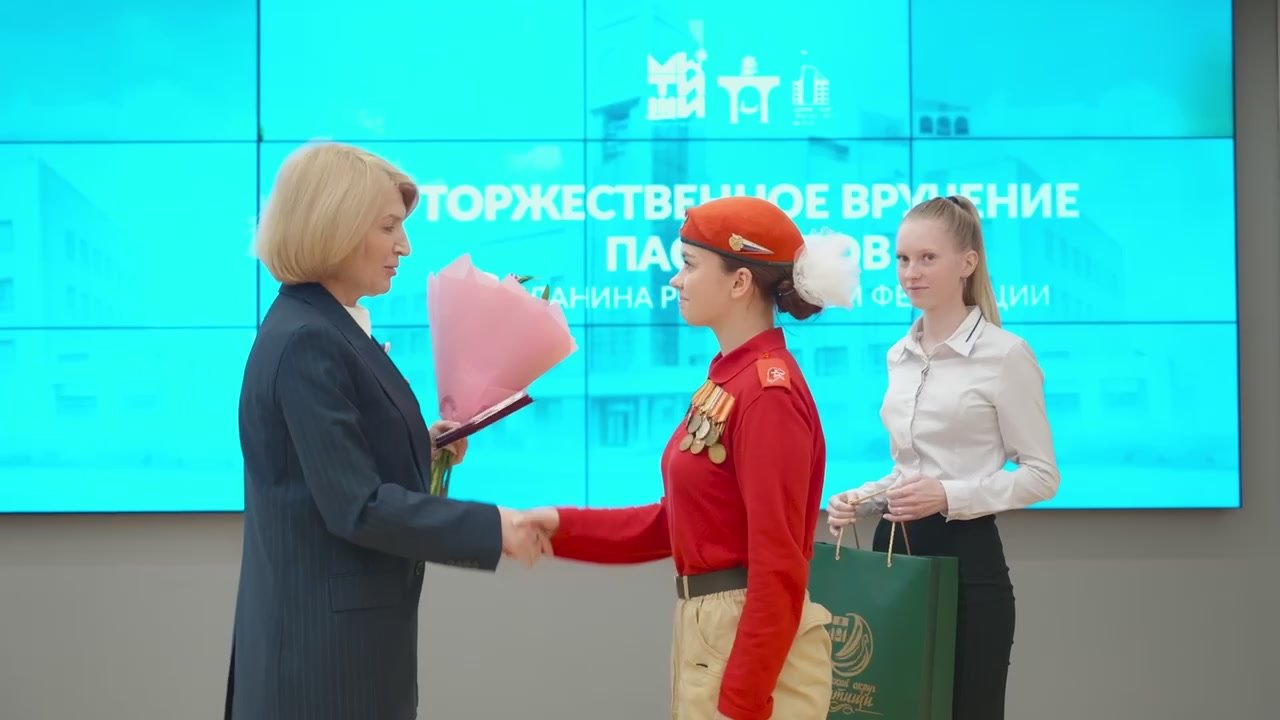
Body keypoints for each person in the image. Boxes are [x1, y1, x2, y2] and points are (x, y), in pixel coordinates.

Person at [225, 142, 543, 720]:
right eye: (389, 227)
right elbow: (357, 506)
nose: (406, 246)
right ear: (335, 227)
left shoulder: (321, 325)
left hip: (335, 656)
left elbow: (325, 460)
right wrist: (493, 526)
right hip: (323, 673)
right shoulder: (310, 339)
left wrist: (424, 444)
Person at [524, 196, 860, 720]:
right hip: (715, 629)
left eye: (689, 264)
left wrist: (742, 703)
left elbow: (778, 567)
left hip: (743, 635)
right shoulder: (731, 378)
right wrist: (562, 527)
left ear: (740, 282)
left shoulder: (766, 393)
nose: (676, 280)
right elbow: (680, 523)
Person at [826, 195, 1060, 720]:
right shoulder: (898, 354)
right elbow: (909, 472)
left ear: (967, 263)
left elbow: (1042, 476)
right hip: (894, 556)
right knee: (886, 709)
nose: (911, 273)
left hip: (967, 563)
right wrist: (862, 499)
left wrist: (948, 496)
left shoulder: (1006, 354)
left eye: (927, 258)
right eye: (903, 259)